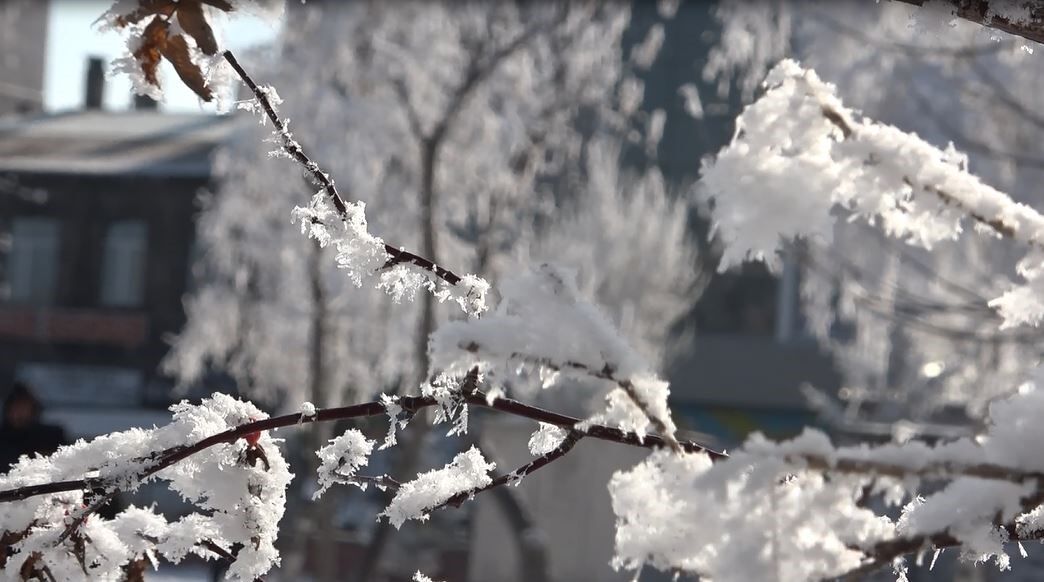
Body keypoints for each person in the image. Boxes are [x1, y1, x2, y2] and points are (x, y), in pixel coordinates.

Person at [0, 381, 68, 473]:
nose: (20, 413)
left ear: (33, 409)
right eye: (16, 407)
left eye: (24, 407)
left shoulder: (50, 436)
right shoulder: (3, 439)